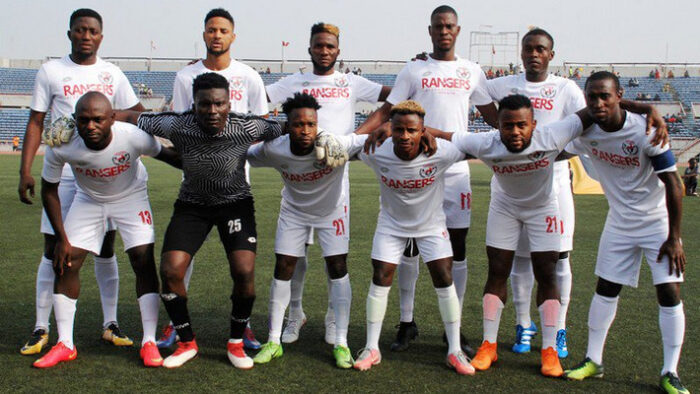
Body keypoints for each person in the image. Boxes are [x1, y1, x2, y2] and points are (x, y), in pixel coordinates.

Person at [111, 72, 342, 369]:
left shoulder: (245, 125)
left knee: (244, 271)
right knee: (170, 270)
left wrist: (323, 136)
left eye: (219, 104)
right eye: (204, 104)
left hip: (235, 204)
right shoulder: (177, 124)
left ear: (228, 103)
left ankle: (235, 342)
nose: (212, 111)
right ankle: (186, 341)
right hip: (192, 205)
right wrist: (83, 117)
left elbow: (291, 125)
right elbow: (131, 117)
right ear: (194, 105)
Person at [355, 5, 498, 356]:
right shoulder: (415, 68)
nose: (444, 31)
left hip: (454, 168)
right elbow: (388, 110)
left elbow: (493, 114)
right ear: (430, 30)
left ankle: (456, 326)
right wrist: (354, 137)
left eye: (449, 26)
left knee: (457, 249)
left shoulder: (471, 71)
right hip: (413, 166)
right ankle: (407, 321)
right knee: (408, 246)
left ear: (458, 30)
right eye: (438, 26)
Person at [425, 94, 597, 377]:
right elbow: (443, 134)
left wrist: (639, 107)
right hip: (504, 208)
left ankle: (550, 350)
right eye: (507, 126)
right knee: (497, 272)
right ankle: (488, 345)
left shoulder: (552, 135)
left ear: (534, 124)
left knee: (547, 274)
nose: (515, 132)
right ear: (498, 127)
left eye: (521, 125)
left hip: (543, 208)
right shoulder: (485, 143)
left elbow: (593, 111)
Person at [17, 8, 146, 356]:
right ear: (70, 33)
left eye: (92, 31)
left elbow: (138, 113)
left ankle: (110, 323)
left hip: (103, 174)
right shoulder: (51, 71)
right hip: (64, 173)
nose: (86, 35)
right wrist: (25, 169)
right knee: (54, 249)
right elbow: (36, 121)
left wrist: (111, 116)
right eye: (80, 30)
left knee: (105, 248)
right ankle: (41, 327)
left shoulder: (111, 73)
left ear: (100, 37)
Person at [33, 92, 180, 368]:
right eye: (84, 120)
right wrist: (61, 237)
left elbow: (170, 156)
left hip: (131, 197)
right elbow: (49, 190)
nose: (91, 126)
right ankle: (65, 343)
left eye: (98, 119)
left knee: (142, 260)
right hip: (88, 200)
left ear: (112, 118)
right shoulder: (61, 144)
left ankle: (149, 340)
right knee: (66, 262)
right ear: (75, 120)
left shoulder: (132, 136)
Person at [562, 72, 688, 394]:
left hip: (656, 223)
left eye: (605, 96)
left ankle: (670, 371)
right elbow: (554, 146)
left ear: (619, 95)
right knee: (605, 288)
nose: (598, 103)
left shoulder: (646, 131)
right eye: (592, 97)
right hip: (618, 222)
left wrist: (674, 238)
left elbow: (674, 184)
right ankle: (593, 360)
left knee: (669, 293)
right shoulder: (586, 132)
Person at [265, 22, 391, 345]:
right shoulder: (294, 82)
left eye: (330, 46)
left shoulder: (349, 82)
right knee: (296, 255)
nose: (324, 51)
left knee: (334, 258)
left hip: (336, 178)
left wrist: (354, 139)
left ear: (338, 50)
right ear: (309, 49)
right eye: (318, 46)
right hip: (298, 177)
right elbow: (257, 100)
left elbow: (394, 98)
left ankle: (334, 320)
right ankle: (296, 314)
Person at [161, 7, 268, 350]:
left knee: (241, 267)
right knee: (179, 260)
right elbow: (179, 129)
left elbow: (261, 128)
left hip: (235, 189)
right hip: (193, 188)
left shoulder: (249, 77)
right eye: (211, 30)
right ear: (204, 34)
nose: (217, 35)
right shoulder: (184, 78)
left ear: (232, 36)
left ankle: (243, 325)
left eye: (223, 30)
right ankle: (174, 325)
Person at [353, 100, 474, 375]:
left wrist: (439, 134)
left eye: (412, 130)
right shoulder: (375, 151)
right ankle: (372, 347)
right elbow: (344, 147)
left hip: (431, 226)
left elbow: (475, 145)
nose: (405, 136)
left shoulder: (441, 151)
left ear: (423, 131)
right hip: (391, 225)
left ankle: (453, 349)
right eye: (398, 130)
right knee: (381, 275)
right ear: (390, 130)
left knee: (444, 275)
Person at [246, 93, 366, 368]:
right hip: (294, 211)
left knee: (337, 267)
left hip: (332, 211)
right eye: (299, 124)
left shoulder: (336, 143)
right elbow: (245, 154)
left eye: (311, 124)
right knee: (284, 266)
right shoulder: (274, 149)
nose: (306, 130)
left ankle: (342, 343)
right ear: (288, 126)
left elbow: (375, 137)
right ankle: (274, 340)